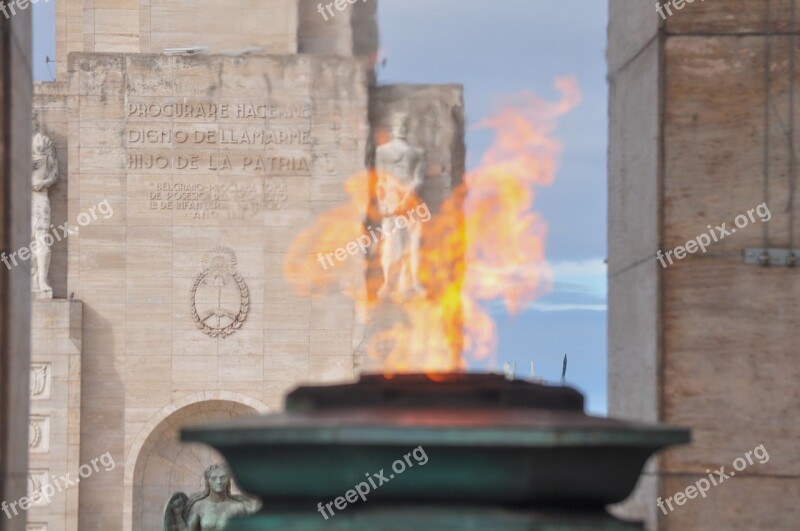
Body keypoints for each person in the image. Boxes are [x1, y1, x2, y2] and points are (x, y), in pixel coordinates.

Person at [163, 463, 259, 531]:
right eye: (214, 478)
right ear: (208, 482)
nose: (219, 482)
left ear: (228, 481)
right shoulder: (199, 506)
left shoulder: (238, 506)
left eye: (223, 477)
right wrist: (177, 514)